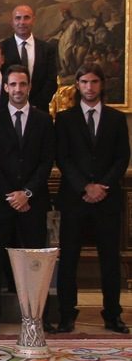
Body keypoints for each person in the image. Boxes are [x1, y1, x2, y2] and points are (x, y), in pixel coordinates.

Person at [54, 63, 129, 334]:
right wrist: (85, 186)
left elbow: (122, 157)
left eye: (94, 82)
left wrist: (102, 186)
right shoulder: (65, 119)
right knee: (70, 258)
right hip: (75, 199)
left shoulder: (115, 118)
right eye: (84, 82)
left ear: (101, 85)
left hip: (107, 200)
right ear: (77, 85)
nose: (89, 87)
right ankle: (66, 314)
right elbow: (63, 156)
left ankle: (112, 314)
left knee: (109, 259)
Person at [0, 65, 54, 334]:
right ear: (5, 88)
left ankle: (36, 316)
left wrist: (27, 193)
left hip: (32, 204)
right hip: (1, 203)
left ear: (29, 87)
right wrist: (11, 194)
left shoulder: (43, 120)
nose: (18, 89)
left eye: (22, 84)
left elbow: (46, 161)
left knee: (34, 263)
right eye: (13, 85)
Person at [0, 4, 58, 112]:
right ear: (12, 22)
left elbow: (51, 80)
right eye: (18, 18)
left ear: (33, 20)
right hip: (8, 110)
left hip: (39, 110)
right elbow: (0, 79)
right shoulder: (1, 48)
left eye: (26, 17)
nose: (22, 22)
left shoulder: (47, 49)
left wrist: (35, 105)